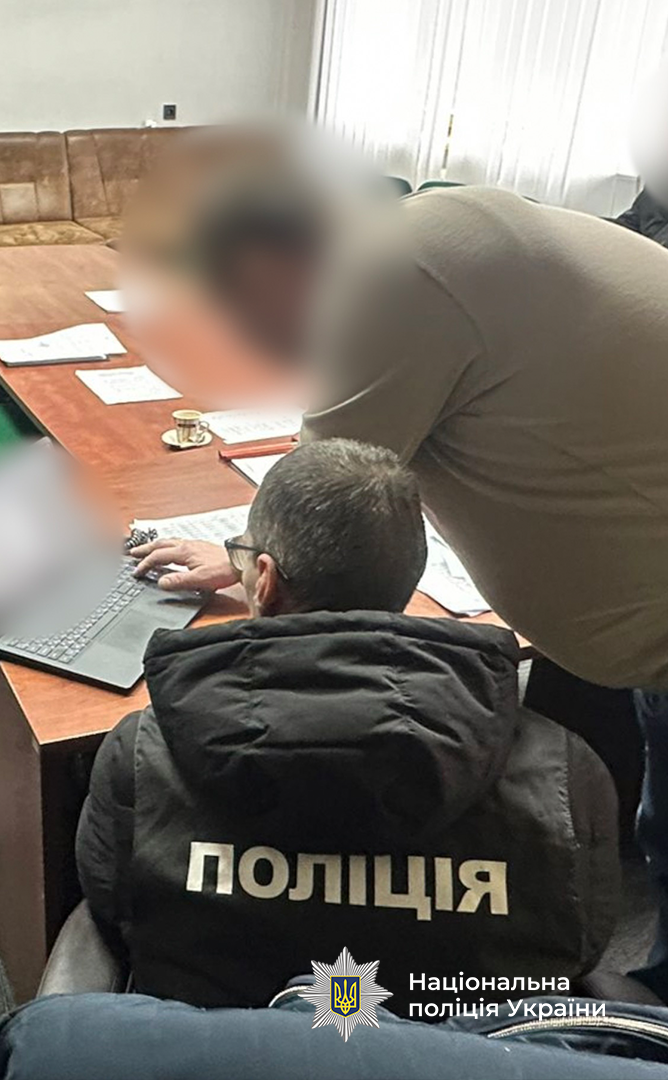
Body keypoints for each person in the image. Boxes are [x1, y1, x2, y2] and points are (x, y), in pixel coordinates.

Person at [130, 172, 668, 1001]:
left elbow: (320, 501)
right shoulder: (431, 240)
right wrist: (243, 549)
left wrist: (252, 561)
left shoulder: (394, 273)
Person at [80, 440, 619, 1012]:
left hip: (210, 1049)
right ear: (409, 582)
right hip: (463, 1048)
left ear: (262, 579)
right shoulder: (563, 775)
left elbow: (115, 913)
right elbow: (577, 947)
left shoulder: (142, 755)